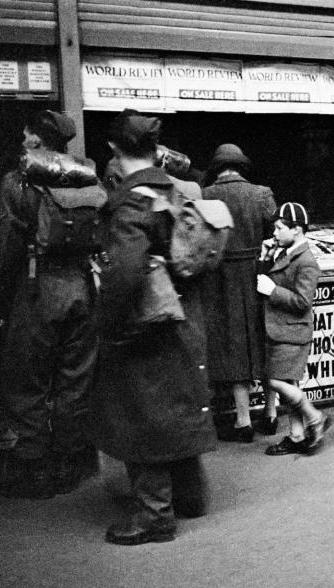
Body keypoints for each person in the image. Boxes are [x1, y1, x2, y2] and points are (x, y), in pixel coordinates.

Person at [92, 110, 215, 545]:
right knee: (176, 405)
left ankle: (154, 514)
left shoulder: (132, 199)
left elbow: (124, 271)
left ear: (113, 149)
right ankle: (191, 496)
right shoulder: (175, 189)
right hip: (182, 317)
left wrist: (105, 323)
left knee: (141, 413)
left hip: (145, 322)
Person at [0, 111, 106, 499]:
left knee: (28, 380)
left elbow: (8, 244)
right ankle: (68, 464)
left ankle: (33, 467)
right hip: (82, 289)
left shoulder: (18, 181)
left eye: (26, 134)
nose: (22, 139)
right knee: (74, 378)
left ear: (36, 140)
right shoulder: (88, 178)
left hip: (37, 288)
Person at [201, 144, 278, 441]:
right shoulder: (262, 194)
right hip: (258, 275)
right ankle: (271, 413)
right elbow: (279, 230)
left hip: (221, 280)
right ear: (241, 166)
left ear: (217, 168)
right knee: (266, 341)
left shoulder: (205, 194)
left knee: (234, 346)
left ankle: (243, 421)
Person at [257, 202, 329, 455]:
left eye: (279, 228)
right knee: (289, 384)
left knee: (275, 380)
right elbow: (262, 281)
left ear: (296, 229)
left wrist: (273, 292)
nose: (274, 233)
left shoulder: (307, 262)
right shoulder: (285, 252)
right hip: (282, 329)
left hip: (292, 331)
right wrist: (265, 258)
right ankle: (296, 435)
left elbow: (302, 302)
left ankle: (314, 416)